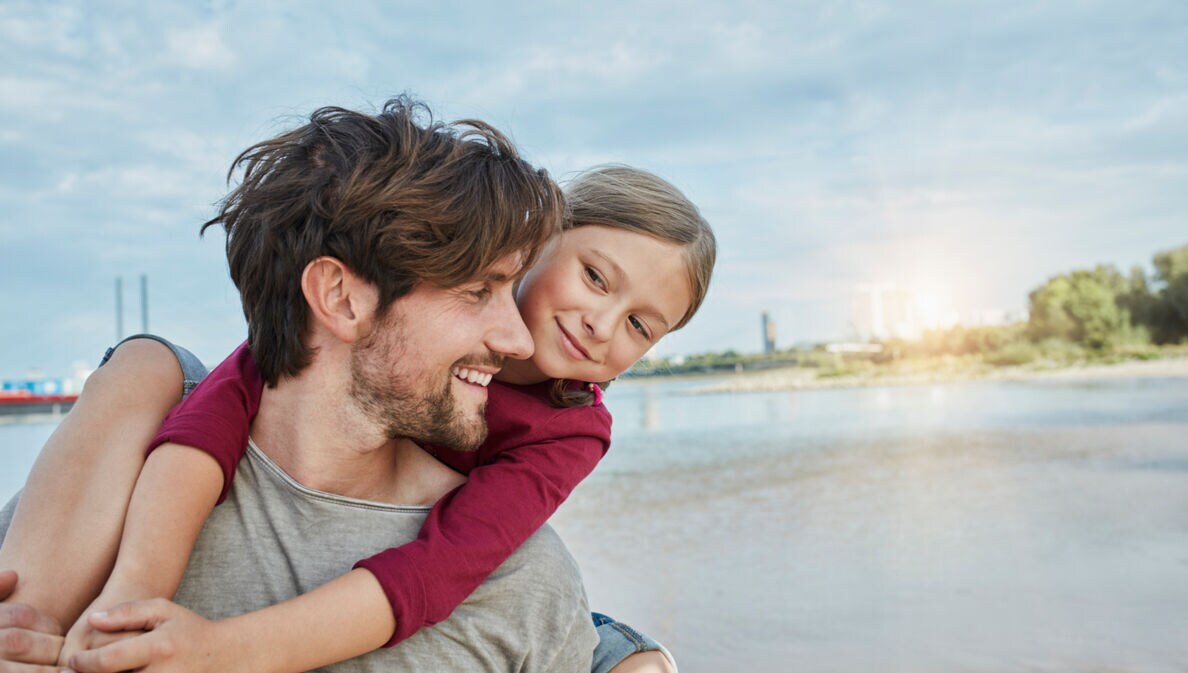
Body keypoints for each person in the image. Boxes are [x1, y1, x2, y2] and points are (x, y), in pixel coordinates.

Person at [0, 96, 601, 673]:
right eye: (478, 292)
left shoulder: (522, 578)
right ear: (340, 298)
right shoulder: (105, 487)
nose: (520, 341)